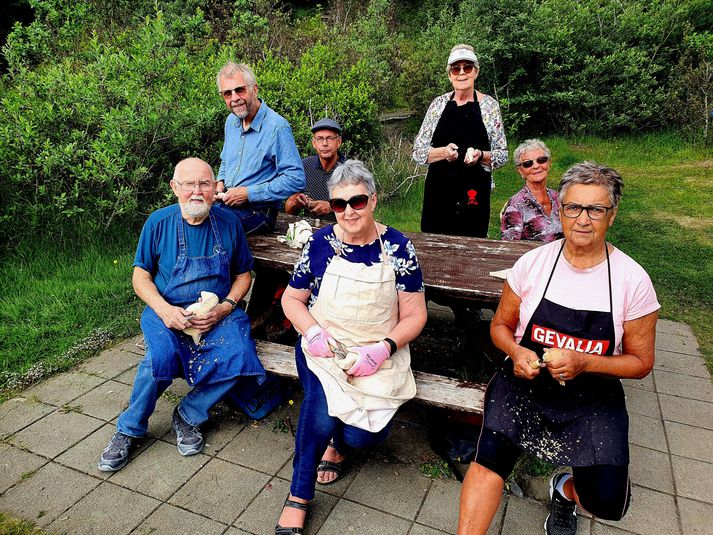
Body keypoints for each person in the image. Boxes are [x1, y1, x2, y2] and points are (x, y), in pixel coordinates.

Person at [458, 162, 660, 535]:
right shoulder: (532, 264)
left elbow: (641, 363)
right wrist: (518, 353)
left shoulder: (633, 280)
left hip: (592, 393)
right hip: (523, 384)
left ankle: (564, 489)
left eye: (595, 209)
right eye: (573, 207)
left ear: (611, 216)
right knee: (489, 460)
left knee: (607, 502)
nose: (583, 219)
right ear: (560, 210)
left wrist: (584, 362)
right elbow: (500, 326)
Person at [276, 159, 427, 534]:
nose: (348, 212)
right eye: (339, 204)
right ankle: (299, 495)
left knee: (367, 435)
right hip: (324, 349)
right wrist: (312, 332)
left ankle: (341, 446)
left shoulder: (398, 247)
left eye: (357, 201)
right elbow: (292, 300)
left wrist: (384, 348)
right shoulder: (320, 243)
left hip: (376, 353)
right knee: (322, 410)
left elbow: (415, 314)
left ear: (373, 200)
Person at [98, 158, 265, 472]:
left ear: (216, 189)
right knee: (157, 359)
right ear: (175, 188)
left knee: (241, 354)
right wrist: (164, 310)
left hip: (217, 315)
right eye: (189, 184)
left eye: (204, 184)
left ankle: (189, 414)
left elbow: (244, 275)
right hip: (167, 311)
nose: (197, 192)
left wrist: (225, 307)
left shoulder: (229, 223)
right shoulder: (158, 222)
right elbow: (140, 277)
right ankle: (129, 429)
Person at [412, 44, 508, 238]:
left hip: (474, 192)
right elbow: (418, 152)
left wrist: (480, 155)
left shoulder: (489, 106)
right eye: (456, 68)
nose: (462, 73)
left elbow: (503, 154)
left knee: (472, 243)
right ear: (450, 75)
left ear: (476, 72)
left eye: (467, 67)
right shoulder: (437, 105)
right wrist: (442, 153)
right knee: (435, 243)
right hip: (438, 191)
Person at [215, 61, 305, 234]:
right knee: (181, 215)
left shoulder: (277, 127)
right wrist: (219, 184)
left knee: (207, 227)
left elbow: (296, 179)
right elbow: (226, 161)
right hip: (227, 204)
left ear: (254, 89)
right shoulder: (231, 122)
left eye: (240, 90)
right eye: (227, 93)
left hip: (259, 213)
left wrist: (248, 194)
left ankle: (243, 263)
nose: (234, 98)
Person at [501, 139, 564, 242]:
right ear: (520, 171)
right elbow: (508, 247)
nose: (536, 166)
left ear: (549, 163)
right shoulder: (515, 206)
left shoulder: (559, 198)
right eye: (528, 164)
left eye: (541, 160)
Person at [285, 118, 346, 220]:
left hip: (341, 230)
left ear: (339, 142)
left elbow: (362, 208)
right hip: (309, 230)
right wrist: (296, 203)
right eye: (320, 138)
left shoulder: (350, 170)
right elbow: (288, 209)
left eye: (330, 138)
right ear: (314, 143)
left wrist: (331, 208)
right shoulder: (304, 166)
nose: (325, 143)